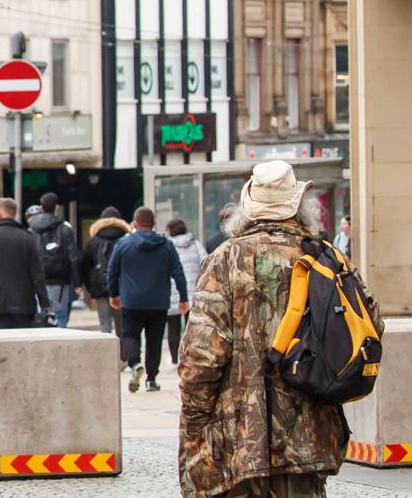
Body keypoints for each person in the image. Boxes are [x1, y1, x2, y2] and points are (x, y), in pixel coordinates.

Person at [178, 160, 383, 497]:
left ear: (247, 210)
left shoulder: (225, 260)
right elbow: (370, 327)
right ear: (300, 208)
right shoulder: (327, 258)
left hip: (240, 438)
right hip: (309, 436)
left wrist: (196, 424)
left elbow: (201, 356)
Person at [107, 207, 187, 393]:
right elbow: (178, 272)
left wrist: (114, 294)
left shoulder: (123, 244)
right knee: (154, 340)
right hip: (158, 302)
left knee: (130, 335)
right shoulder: (166, 245)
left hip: (131, 301)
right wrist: (183, 297)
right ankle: (151, 378)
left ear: (134, 223)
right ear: (153, 224)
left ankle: (135, 364)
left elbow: (112, 272)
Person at [0, 197, 50, 329]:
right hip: (24, 302)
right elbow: (37, 274)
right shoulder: (27, 238)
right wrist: (44, 303)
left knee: (1, 343)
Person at [29, 193, 80, 328]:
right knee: (60, 316)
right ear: (57, 208)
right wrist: (78, 282)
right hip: (60, 281)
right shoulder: (64, 229)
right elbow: (73, 257)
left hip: (37, 280)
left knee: (41, 315)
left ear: (41, 207)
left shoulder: (31, 230)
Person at [79, 206, 130, 336]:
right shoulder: (126, 240)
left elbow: (84, 265)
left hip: (100, 287)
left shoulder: (93, 241)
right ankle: (123, 353)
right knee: (123, 325)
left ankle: (108, 353)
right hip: (122, 288)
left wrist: (89, 287)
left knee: (105, 324)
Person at [165, 218, 206, 365]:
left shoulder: (167, 245)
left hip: (173, 291)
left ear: (169, 230)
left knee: (173, 327)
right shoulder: (196, 244)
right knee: (192, 327)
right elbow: (206, 263)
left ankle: (175, 359)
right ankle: (190, 357)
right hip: (193, 292)